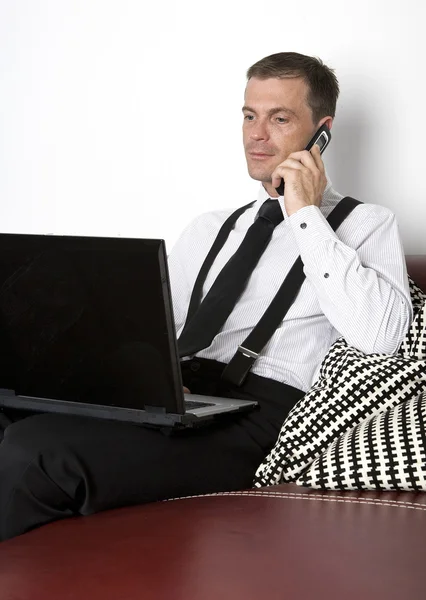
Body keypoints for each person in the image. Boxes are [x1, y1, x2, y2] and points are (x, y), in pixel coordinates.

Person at [0, 52, 412, 541]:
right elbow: (151, 328)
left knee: (36, 450)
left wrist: (304, 213)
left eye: (279, 118)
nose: (257, 134)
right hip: (181, 397)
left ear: (321, 131)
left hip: (257, 422)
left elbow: (382, 337)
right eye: (249, 116)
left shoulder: (366, 225)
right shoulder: (211, 228)